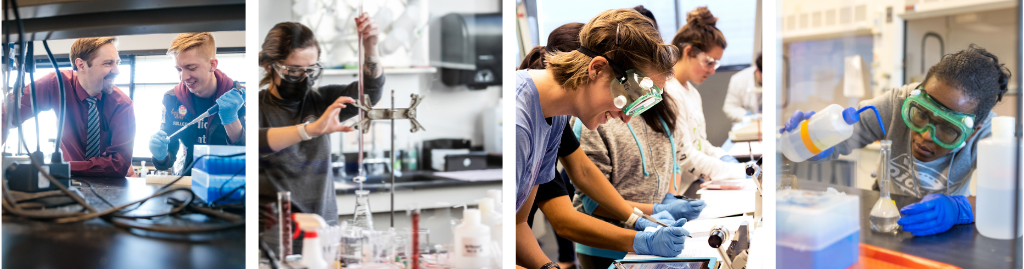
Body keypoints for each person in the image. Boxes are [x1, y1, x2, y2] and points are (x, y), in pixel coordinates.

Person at [516, 9, 688, 269]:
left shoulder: (555, 116)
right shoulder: (518, 118)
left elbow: (516, 223)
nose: (627, 118)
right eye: (627, 98)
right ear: (597, 68)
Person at [781, 44, 1009, 236]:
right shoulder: (895, 104)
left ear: (973, 129)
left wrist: (961, 210)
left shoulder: (990, 135)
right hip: (887, 217)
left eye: (948, 129)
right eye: (920, 114)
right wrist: (815, 138)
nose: (926, 135)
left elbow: (1014, 201)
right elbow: (836, 142)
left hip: (946, 228)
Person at [258, 15, 382, 239]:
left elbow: (370, 93)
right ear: (270, 67)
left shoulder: (323, 100)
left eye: (311, 70)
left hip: (325, 233)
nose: (304, 78)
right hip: (276, 237)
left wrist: (370, 47)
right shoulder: (255, 107)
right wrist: (310, 130)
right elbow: (257, 141)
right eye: (294, 71)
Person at [2, 37, 136, 177]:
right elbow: (5, 115)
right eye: (108, 63)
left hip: (113, 183)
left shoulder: (122, 105)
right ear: (81, 65)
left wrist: (61, 168)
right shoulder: (56, 84)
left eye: (117, 62)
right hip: (67, 180)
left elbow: (118, 164)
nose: (117, 70)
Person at [665, 6, 748, 190]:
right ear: (688, 52)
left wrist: (721, 157)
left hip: (695, 183)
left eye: (715, 64)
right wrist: (734, 171)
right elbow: (685, 156)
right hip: (681, 190)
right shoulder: (669, 92)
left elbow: (700, 144)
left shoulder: (692, 92)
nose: (712, 71)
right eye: (708, 62)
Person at [149, 33, 245, 176]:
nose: (183, 77)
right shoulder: (172, 99)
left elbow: (252, 158)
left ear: (212, 65)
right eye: (179, 69)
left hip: (228, 185)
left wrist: (232, 122)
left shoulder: (239, 98)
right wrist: (160, 156)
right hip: (188, 183)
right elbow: (168, 159)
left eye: (191, 68)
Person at [723, 53, 762, 123]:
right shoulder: (738, 79)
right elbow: (729, 107)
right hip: (748, 126)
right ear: (758, 70)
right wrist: (747, 115)